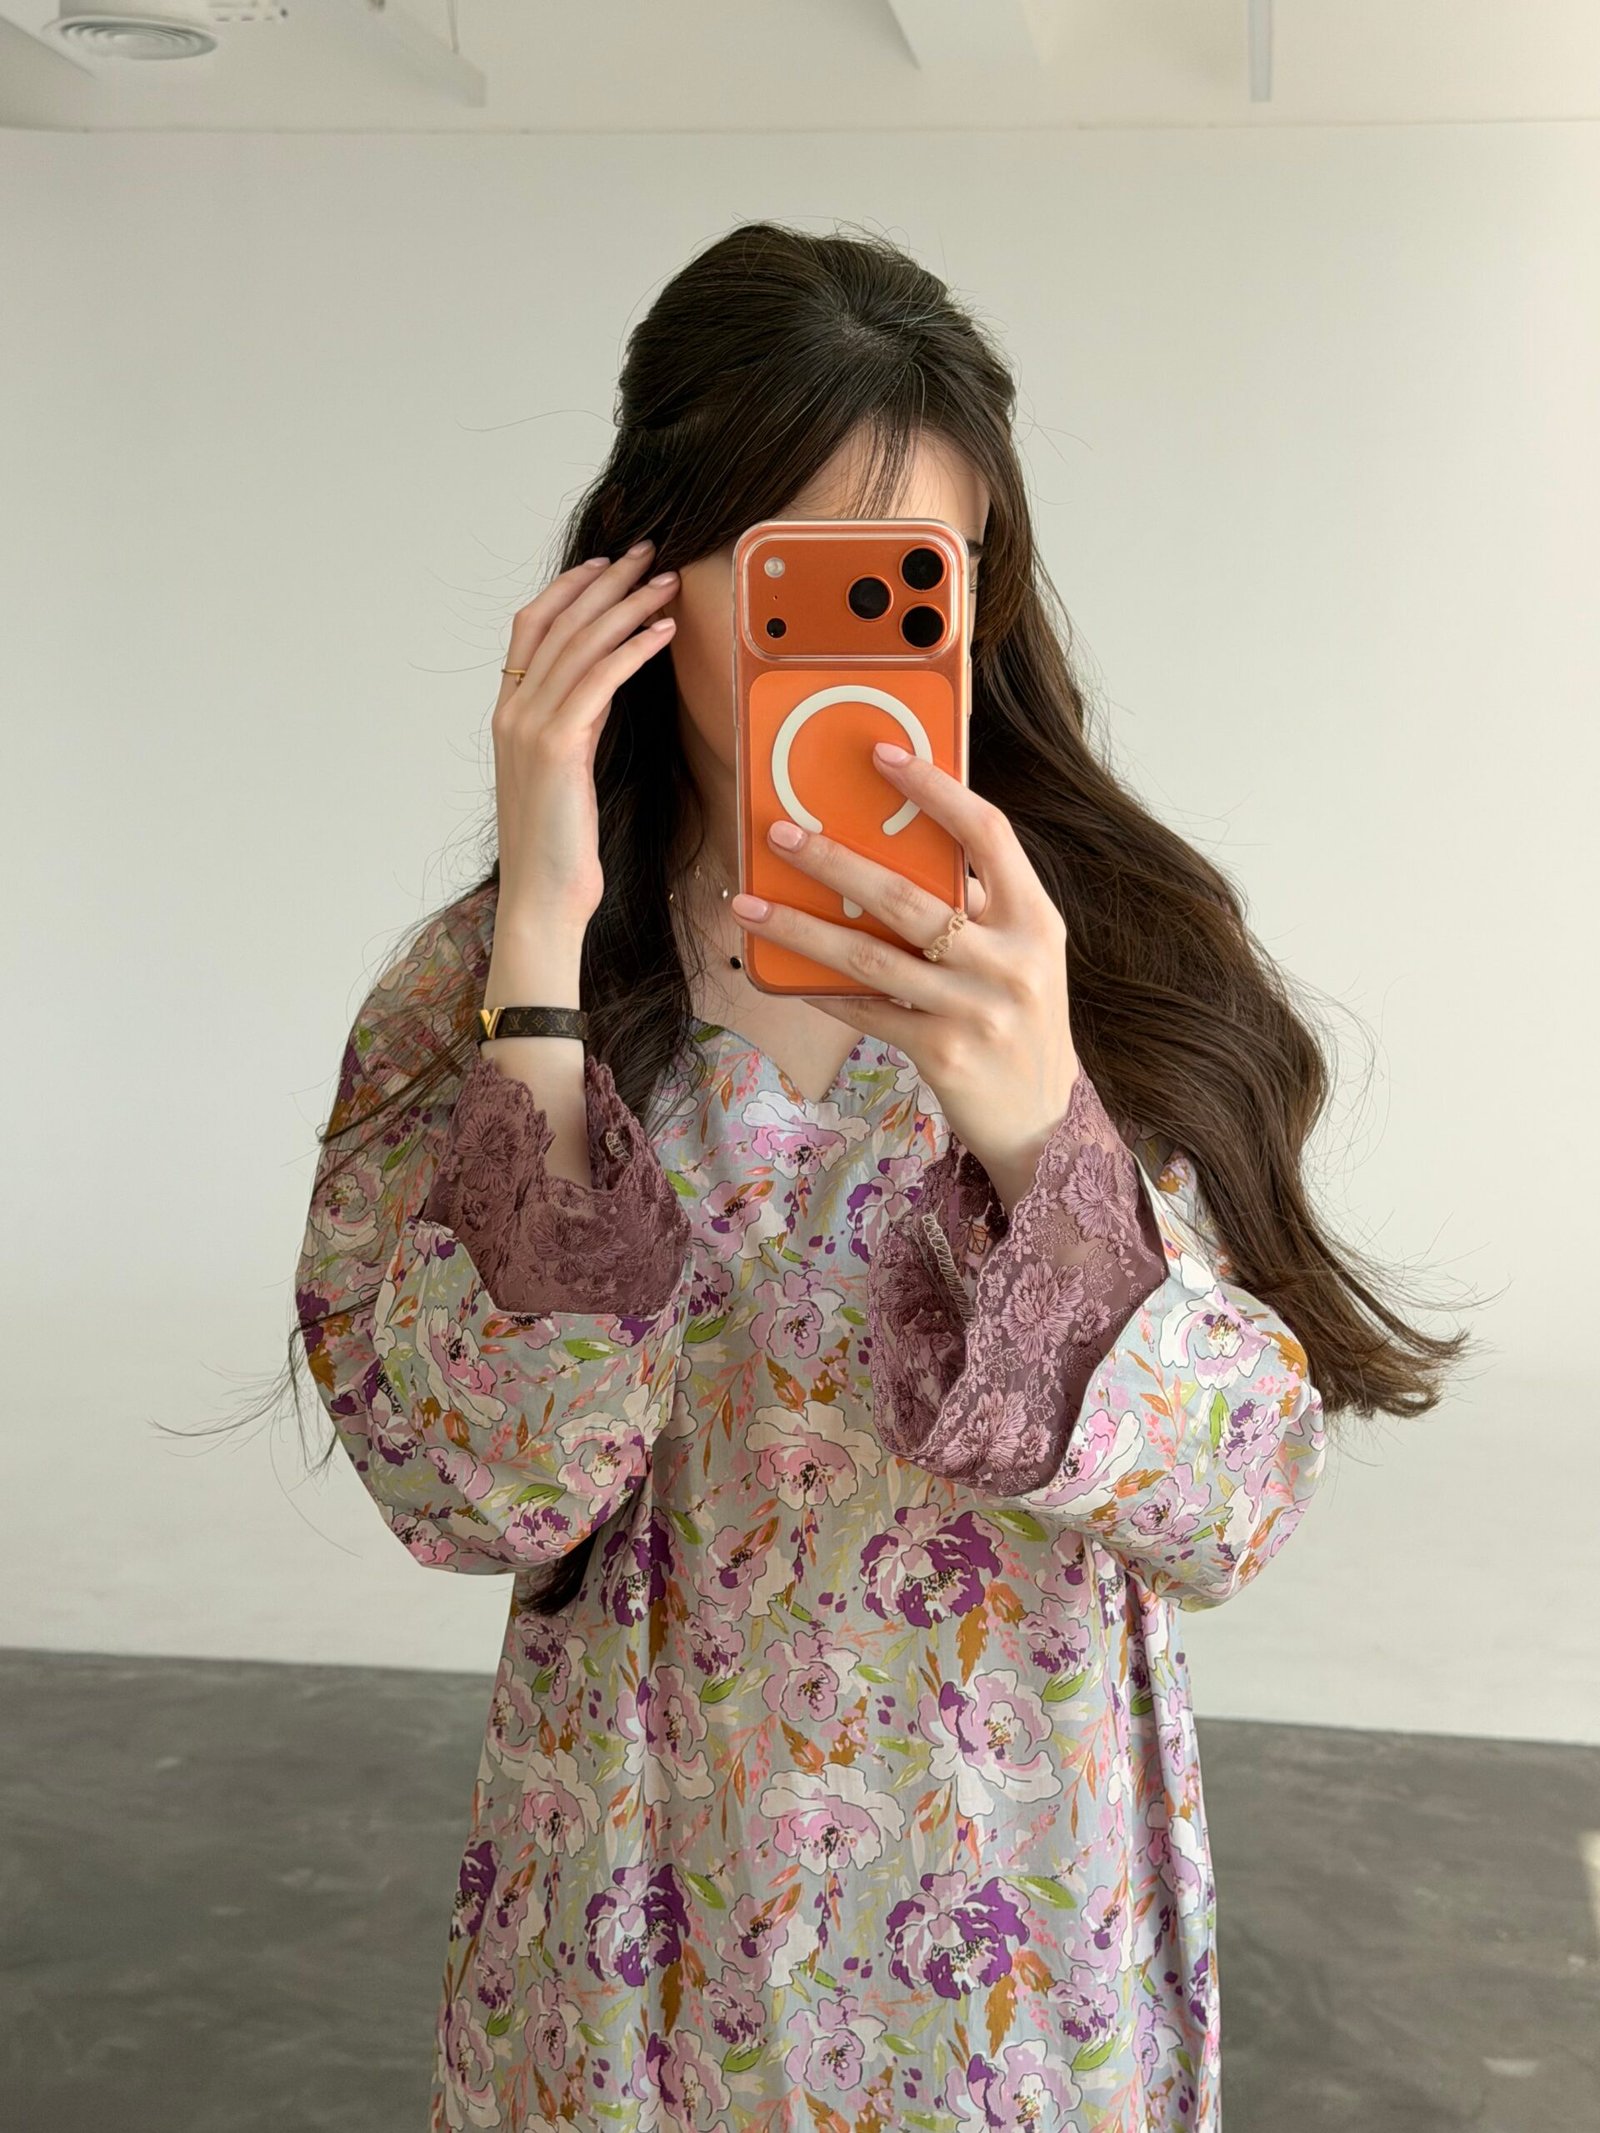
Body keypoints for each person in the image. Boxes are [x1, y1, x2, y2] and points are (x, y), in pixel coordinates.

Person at [291, 222, 1473, 2132]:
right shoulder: (486, 986)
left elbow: (1236, 1502)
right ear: (645, 575)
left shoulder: (1114, 964)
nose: (849, 646)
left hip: (1016, 1965)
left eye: (911, 581)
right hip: (635, 1948)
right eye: (796, 581)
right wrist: (540, 953)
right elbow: (473, 1484)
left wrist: (1039, 1129)